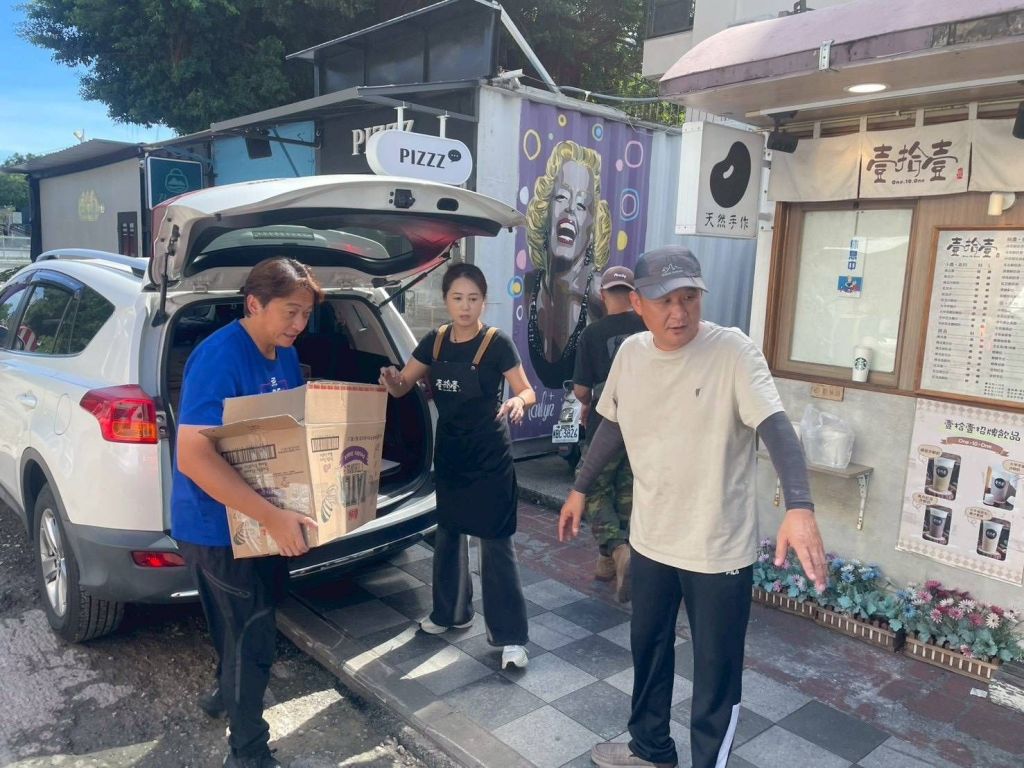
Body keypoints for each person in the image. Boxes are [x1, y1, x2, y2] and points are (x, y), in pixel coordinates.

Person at [557, 247, 826, 768]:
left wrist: (799, 505)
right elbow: (612, 424)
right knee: (649, 652)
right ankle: (650, 749)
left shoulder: (733, 351)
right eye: (665, 301)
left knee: (716, 676)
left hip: (717, 548)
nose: (679, 313)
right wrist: (580, 487)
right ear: (638, 303)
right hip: (652, 539)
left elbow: (777, 428)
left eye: (689, 298)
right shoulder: (631, 354)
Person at [173, 257, 322, 768]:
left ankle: (225, 692)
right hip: (216, 525)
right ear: (254, 303)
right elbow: (192, 456)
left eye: (306, 314)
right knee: (252, 636)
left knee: (244, 621)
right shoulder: (219, 357)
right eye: (290, 311)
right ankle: (248, 751)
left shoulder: (284, 353)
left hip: (262, 521)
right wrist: (274, 518)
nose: (299, 324)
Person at [380, 263, 537, 670]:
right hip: (452, 454)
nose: (465, 306)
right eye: (457, 298)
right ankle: (449, 614)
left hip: (490, 456)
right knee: (448, 535)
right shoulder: (434, 342)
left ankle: (511, 638)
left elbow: (527, 390)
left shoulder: (497, 343)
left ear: (483, 301)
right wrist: (391, 381)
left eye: (473, 298)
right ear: (446, 300)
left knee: (496, 543)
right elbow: (403, 385)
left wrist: (517, 401)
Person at [571, 265, 646, 602]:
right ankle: (609, 561)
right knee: (628, 489)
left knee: (593, 487)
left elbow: (580, 390)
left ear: (603, 295)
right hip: (644, 426)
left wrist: (588, 403)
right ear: (634, 295)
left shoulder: (592, 334)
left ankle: (617, 549)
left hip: (605, 425)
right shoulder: (648, 328)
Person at [523, 140, 612, 389]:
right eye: (561, 197)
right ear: (546, 210)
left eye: (582, 205)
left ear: (593, 227)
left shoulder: (599, 295)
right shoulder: (531, 285)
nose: (570, 210)